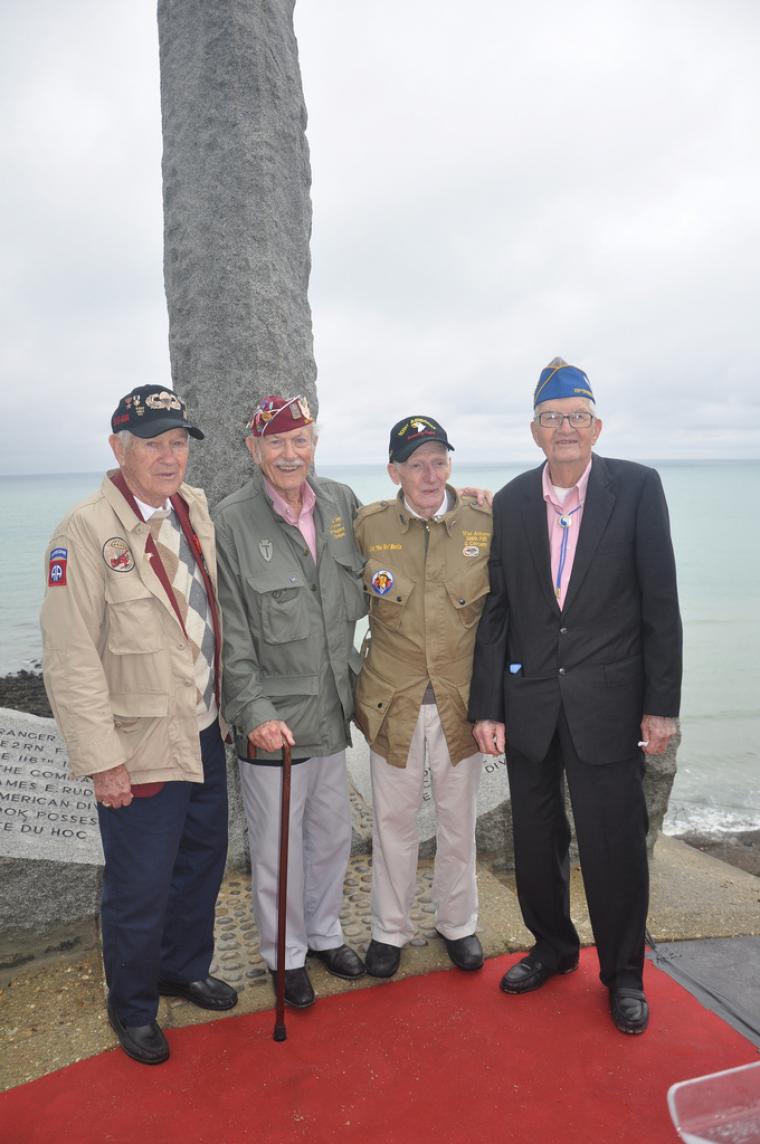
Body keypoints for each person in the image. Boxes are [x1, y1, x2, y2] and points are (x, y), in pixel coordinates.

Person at [469, 358, 682, 1035]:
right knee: (536, 841)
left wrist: (661, 704)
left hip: (609, 703)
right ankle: (553, 947)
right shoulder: (509, 502)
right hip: (529, 701)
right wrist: (487, 707)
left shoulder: (639, 488)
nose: (565, 428)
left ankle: (623, 974)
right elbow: (497, 611)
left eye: (577, 417)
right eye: (552, 418)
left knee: (613, 845)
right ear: (535, 431)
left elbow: (660, 602)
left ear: (596, 427)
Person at [40, 385, 236, 1066]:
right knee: (139, 885)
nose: (168, 455)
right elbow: (69, 661)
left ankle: (182, 966)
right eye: (152, 442)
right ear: (118, 449)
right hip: (140, 746)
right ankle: (132, 1006)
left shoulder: (194, 510)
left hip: (205, 730)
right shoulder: (85, 532)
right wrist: (103, 761)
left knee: (202, 866)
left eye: (178, 441)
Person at [213, 395, 367, 1010]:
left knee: (332, 835)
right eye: (275, 443)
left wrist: (470, 505)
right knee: (278, 847)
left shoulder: (341, 502)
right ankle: (286, 954)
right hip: (274, 720)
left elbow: (399, 537)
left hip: (332, 707)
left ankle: (325, 933)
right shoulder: (231, 521)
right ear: (254, 451)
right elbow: (229, 631)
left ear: (314, 444)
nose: (289, 453)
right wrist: (252, 712)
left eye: (299, 440)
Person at [353, 416, 493, 978]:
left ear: (451, 466)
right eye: (416, 463)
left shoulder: (486, 522)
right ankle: (389, 930)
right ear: (395, 471)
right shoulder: (367, 526)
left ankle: (458, 923)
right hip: (396, 704)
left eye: (439, 460)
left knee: (460, 823)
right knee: (393, 824)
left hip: (461, 703)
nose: (430, 473)